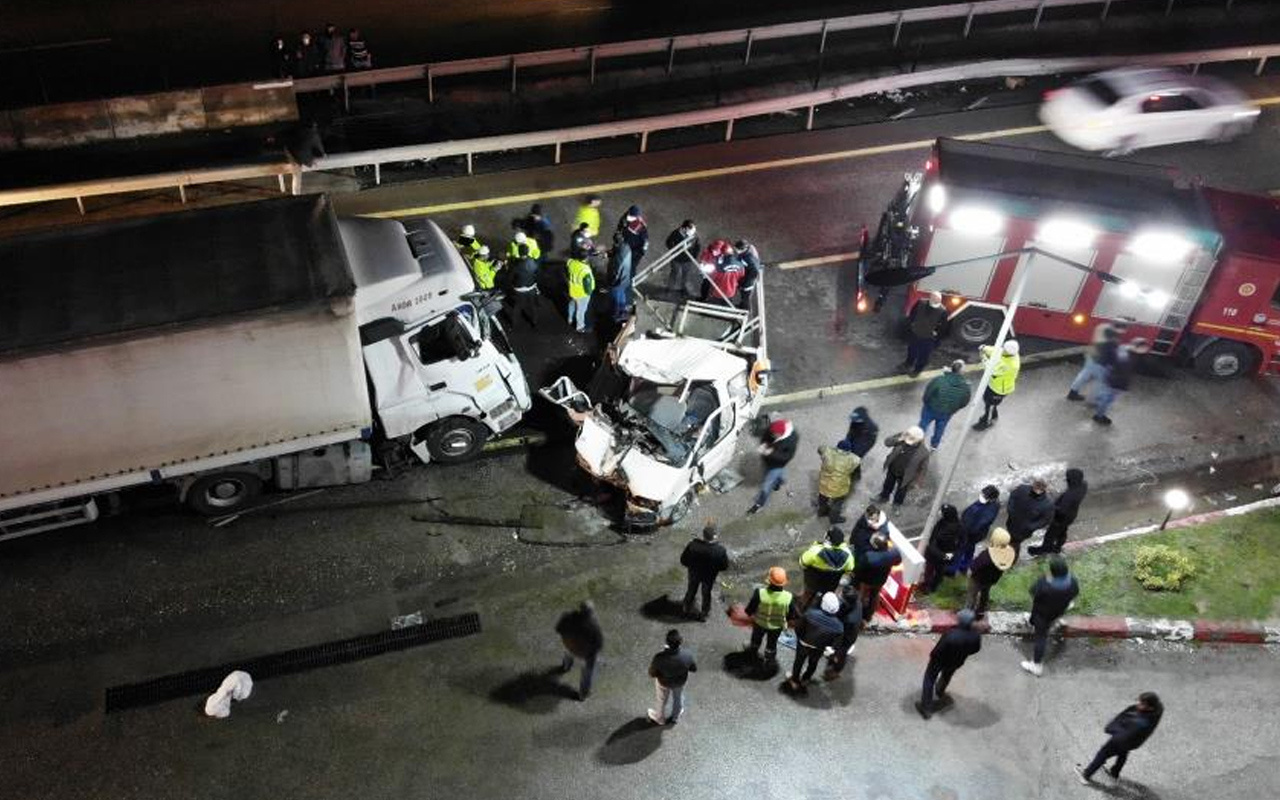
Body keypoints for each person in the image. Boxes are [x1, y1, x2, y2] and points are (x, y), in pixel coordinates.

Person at [1077, 693, 1164, 784]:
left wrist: (1111, 729)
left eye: (1142, 704)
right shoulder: (1158, 709)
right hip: (1133, 742)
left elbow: (1124, 733)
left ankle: (1086, 774)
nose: (1138, 704)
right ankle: (1114, 772)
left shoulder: (1140, 721)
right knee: (1123, 752)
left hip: (1121, 740)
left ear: (1150, 707)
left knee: (1103, 753)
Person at [916, 608, 983, 719]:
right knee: (947, 675)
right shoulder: (975, 635)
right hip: (956, 661)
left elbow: (938, 650)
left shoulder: (950, 634)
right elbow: (976, 649)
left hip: (939, 661)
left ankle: (926, 708)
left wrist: (932, 657)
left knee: (929, 679)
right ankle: (940, 690)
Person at [1021, 556, 1079, 677]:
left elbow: (1032, 591)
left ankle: (1036, 665)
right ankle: (1046, 623)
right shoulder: (1072, 582)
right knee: (1047, 621)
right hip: (1057, 611)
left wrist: (1045, 579)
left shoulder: (1045, 584)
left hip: (1042, 614)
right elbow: (1075, 594)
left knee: (1041, 637)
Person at [786, 592, 844, 692]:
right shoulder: (839, 626)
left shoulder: (810, 614)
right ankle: (806, 678)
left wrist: (801, 638)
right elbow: (835, 644)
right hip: (819, 649)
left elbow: (798, 628)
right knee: (813, 663)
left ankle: (795, 680)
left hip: (803, 644)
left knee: (799, 662)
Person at [744, 567, 798, 663]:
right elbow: (792, 615)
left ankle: (752, 651)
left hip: (759, 623)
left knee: (756, 639)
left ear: (769, 580)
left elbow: (749, 610)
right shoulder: (788, 597)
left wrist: (749, 615)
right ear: (784, 582)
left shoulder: (759, 593)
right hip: (776, 627)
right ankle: (769, 658)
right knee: (772, 643)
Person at [1029, 469, 1087, 557]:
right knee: (1062, 530)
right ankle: (1058, 546)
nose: (1066, 479)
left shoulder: (1070, 495)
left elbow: (1061, 510)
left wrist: (1050, 505)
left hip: (1061, 518)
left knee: (1050, 534)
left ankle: (1044, 549)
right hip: (1071, 515)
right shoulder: (1083, 485)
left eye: (1068, 478)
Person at [747, 418, 798, 515]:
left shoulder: (791, 439)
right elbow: (765, 437)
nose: (772, 436)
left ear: (781, 434)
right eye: (772, 433)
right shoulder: (772, 428)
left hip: (777, 465)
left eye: (775, 435)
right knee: (780, 476)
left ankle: (759, 505)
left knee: (765, 487)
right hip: (769, 462)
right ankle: (779, 483)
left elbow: (787, 457)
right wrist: (763, 445)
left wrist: (770, 453)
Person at [679, 524, 729, 620]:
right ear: (714, 536)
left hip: (694, 573)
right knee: (706, 593)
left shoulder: (693, 545)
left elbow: (683, 560)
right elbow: (724, 566)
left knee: (691, 590)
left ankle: (686, 608)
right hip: (709, 576)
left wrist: (691, 567)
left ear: (703, 535)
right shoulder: (720, 550)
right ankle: (704, 614)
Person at [1092, 338, 1147, 426]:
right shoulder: (1126, 358)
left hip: (1111, 378)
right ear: (1138, 347)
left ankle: (1099, 406)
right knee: (1108, 399)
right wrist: (1123, 386)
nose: (1145, 350)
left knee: (1107, 396)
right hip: (1116, 382)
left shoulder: (1124, 348)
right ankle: (1099, 416)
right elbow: (1124, 372)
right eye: (1143, 348)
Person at [555, 601, 603, 700]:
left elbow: (558, 629)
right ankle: (583, 694)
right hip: (584, 652)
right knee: (588, 671)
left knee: (568, 653)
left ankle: (565, 667)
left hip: (569, 646)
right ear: (591, 613)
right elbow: (598, 644)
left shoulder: (568, 617)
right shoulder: (593, 626)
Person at [798, 528, 855, 609]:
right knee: (824, 598)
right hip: (830, 585)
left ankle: (801, 609)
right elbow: (849, 569)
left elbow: (802, 562)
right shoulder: (848, 556)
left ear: (828, 539)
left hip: (812, 582)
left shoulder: (815, 551)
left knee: (807, 595)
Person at [648, 629, 697, 725]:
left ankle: (660, 718)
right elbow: (693, 669)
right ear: (680, 642)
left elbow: (652, 673)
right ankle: (675, 716)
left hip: (664, 682)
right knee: (678, 698)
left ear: (667, 642)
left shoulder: (659, 657)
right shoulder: (687, 655)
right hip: (680, 682)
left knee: (661, 699)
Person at [1067, 321, 1125, 402]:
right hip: (1100, 361)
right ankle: (1093, 400)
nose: (1124, 332)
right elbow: (1110, 351)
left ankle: (1072, 393)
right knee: (1100, 380)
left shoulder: (1102, 327)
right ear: (1120, 327)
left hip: (1092, 356)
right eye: (1123, 329)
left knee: (1084, 375)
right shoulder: (1112, 335)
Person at [919, 359, 972, 449]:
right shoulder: (966, 387)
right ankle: (934, 445)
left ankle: (917, 440)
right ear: (962, 372)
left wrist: (926, 402)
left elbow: (928, 393)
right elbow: (964, 402)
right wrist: (954, 409)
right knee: (940, 428)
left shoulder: (939, 380)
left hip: (930, 408)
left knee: (923, 424)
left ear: (951, 368)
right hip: (947, 412)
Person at [965, 527, 1017, 618]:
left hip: (977, 579)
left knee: (971, 596)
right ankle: (981, 612)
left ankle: (967, 615)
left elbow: (974, 566)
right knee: (985, 595)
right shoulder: (1007, 554)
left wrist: (970, 572)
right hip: (991, 580)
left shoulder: (986, 556)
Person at [972, 340, 1020, 430]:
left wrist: (983, 356)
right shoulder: (1011, 354)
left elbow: (990, 369)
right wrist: (984, 348)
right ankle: (994, 414)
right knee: (988, 401)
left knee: (990, 404)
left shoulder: (1008, 365)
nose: (1002, 349)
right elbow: (997, 351)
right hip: (994, 385)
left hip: (999, 390)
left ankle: (987, 421)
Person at [854, 530, 900, 623]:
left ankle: (857, 615)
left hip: (867, 580)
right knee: (875, 596)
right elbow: (897, 562)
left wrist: (856, 577)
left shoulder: (868, 557)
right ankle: (868, 616)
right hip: (881, 580)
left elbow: (859, 568)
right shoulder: (892, 554)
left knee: (861, 596)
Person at [878, 425, 930, 507]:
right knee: (887, 484)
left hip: (906, 475)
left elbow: (923, 469)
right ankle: (884, 497)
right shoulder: (902, 436)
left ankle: (897, 504)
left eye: (912, 439)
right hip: (893, 469)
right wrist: (899, 439)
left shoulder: (924, 452)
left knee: (901, 491)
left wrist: (918, 482)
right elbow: (887, 443)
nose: (908, 441)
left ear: (919, 440)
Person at [901, 291, 949, 377]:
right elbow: (913, 313)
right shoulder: (921, 302)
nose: (934, 301)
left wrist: (936, 335)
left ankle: (917, 370)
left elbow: (943, 327)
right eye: (933, 299)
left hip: (929, 338)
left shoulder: (943, 311)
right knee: (912, 350)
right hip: (916, 332)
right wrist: (912, 324)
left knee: (923, 355)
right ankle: (908, 363)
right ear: (930, 298)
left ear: (939, 300)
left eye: (936, 300)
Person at [955, 485, 1001, 574]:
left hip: (972, 534)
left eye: (984, 495)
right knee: (968, 548)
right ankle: (963, 566)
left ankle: (959, 567)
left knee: (964, 548)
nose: (981, 496)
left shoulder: (991, 509)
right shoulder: (986, 503)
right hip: (971, 532)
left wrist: (965, 530)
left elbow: (980, 524)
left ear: (991, 498)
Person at [1005, 478, 1054, 556]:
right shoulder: (1022, 489)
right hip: (1011, 522)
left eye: (1040, 488)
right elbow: (1013, 496)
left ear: (1044, 489)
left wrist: (1030, 526)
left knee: (1015, 545)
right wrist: (1010, 510)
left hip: (1023, 532)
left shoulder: (1047, 504)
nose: (1037, 490)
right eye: (1036, 487)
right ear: (1033, 485)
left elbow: (1046, 520)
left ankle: (1011, 558)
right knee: (1007, 537)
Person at [823, 587, 864, 679]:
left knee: (841, 654)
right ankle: (834, 656)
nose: (839, 596)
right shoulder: (857, 602)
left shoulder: (850, 619)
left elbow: (841, 630)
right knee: (837, 651)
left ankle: (835, 671)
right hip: (847, 632)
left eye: (841, 596)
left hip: (846, 638)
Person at [920, 504, 961, 594]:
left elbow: (934, 542)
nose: (939, 513)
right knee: (939, 571)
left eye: (941, 512)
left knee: (931, 570)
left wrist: (944, 555)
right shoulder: (954, 523)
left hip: (938, 554)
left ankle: (928, 587)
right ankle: (933, 586)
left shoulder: (947, 528)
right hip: (943, 554)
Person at [816, 439, 860, 523]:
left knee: (823, 498)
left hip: (824, 484)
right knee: (838, 503)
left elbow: (820, 449)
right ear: (849, 450)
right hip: (839, 488)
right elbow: (856, 475)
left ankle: (821, 512)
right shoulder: (854, 459)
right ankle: (834, 518)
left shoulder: (827, 452)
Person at [698, 239, 745, 304]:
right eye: (714, 250)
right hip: (730, 289)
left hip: (719, 287)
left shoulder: (721, 265)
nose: (715, 252)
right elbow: (741, 276)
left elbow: (715, 275)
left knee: (716, 300)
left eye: (717, 251)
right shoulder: (740, 265)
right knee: (726, 302)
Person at [508, 244, 542, 329]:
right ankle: (534, 323)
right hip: (531, 287)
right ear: (527, 252)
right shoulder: (533, 262)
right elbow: (537, 274)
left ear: (519, 253)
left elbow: (510, 277)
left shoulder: (515, 264)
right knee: (532, 306)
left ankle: (514, 324)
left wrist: (512, 284)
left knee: (517, 307)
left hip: (519, 289)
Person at [664, 221, 701, 296]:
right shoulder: (676, 233)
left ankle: (683, 289)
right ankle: (670, 288)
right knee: (674, 273)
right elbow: (668, 242)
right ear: (685, 228)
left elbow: (698, 246)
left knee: (686, 275)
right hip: (676, 259)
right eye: (690, 230)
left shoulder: (694, 235)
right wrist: (674, 250)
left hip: (687, 260)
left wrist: (694, 256)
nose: (692, 233)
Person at [606, 231, 633, 323]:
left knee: (616, 298)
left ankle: (616, 315)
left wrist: (611, 282)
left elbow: (615, 270)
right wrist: (609, 253)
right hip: (625, 278)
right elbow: (615, 251)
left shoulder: (620, 256)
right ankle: (623, 310)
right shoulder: (626, 247)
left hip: (618, 281)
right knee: (622, 294)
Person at [565, 254, 595, 333]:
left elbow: (568, 265)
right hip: (582, 294)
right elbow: (588, 286)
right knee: (581, 310)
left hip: (573, 290)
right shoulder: (585, 270)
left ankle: (570, 319)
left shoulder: (571, 262)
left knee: (572, 304)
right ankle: (580, 327)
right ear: (586, 259)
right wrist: (589, 293)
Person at [617, 205, 649, 270]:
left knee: (630, 268)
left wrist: (639, 253)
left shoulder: (641, 226)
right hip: (623, 246)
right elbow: (620, 228)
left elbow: (645, 242)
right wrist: (617, 236)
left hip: (634, 251)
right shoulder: (625, 218)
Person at [735, 239, 763, 310]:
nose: (736, 251)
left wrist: (744, 285)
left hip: (748, 282)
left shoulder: (750, 259)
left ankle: (745, 311)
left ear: (743, 249)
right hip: (746, 275)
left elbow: (754, 272)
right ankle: (742, 306)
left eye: (737, 250)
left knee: (745, 297)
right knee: (744, 297)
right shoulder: (749, 250)